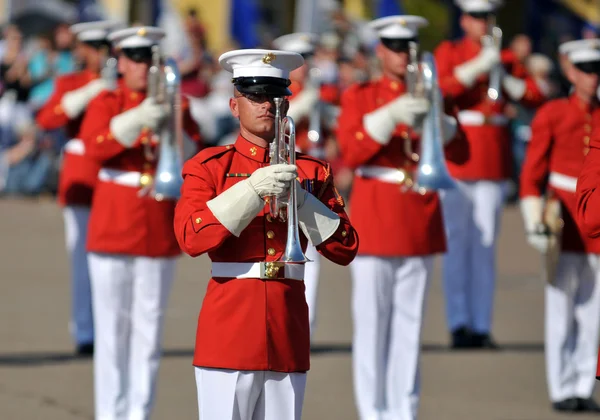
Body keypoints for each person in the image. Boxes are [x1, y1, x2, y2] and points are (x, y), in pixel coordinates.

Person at [173, 48, 358, 420]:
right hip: (229, 330)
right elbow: (191, 238)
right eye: (255, 96)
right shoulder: (210, 167)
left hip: (287, 327)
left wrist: (304, 202)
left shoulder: (311, 170)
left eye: (276, 97)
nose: (267, 105)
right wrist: (250, 191)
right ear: (233, 104)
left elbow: (345, 247)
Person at [336, 15, 468, 420]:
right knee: (373, 325)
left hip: (418, 214)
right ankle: (372, 410)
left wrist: (441, 122)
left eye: (408, 47)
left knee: (410, 327)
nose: (402, 55)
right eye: (394, 47)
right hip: (377, 213)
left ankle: (402, 410)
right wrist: (389, 116)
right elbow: (351, 151)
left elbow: (462, 154)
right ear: (380, 50)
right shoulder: (362, 94)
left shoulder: (431, 90)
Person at [78, 26, 202, 420]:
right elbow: (93, 147)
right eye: (134, 57)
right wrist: (137, 119)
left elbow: (194, 154)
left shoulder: (175, 102)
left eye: (148, 57)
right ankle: (109, 413)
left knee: (149, 332)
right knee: (112, 334)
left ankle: (139, 413)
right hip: (114, 223)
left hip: (155, 225)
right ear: (121, 62)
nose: (142, 65)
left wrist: (173, 119)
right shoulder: (107, 100)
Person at [434, 0, 547, 348]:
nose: (483, 23)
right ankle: (459, 323)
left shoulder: (507, 56)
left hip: (493, 158)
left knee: (485, 247)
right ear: (464, 20)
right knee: (456, 244)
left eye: (487, 16)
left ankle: (481, 324)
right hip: (459, 155)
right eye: (477, 16)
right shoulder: (450, 50)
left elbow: (534, 95)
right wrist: (477, 66)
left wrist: (506, 75)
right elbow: (441, 90)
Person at [520, 38, 600, 413]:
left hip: (595, 221)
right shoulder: (553, 113)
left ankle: (585, 383)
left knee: (592, 310)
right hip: (562, 217)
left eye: (597, 70)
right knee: (560, 306)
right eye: (586, 70)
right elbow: (532, 172)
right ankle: (561, 384)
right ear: (570, 71)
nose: (592, 77)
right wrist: (534, 218)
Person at [35, 20, 123, 357]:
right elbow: (47, 119)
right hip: (83, 177)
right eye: (95, 49)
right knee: (82, 259)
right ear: (83, 50)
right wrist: (88, 93)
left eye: (106, 49)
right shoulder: (70, 81)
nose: (102, 55)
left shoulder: (124, 84)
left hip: (116, 176)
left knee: (116, 259)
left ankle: (110, 328)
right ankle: (86, 331)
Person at [272, 31, 341, 338]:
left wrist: (325, 112)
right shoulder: (280, 94)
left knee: (312, 252)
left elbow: (338, 131)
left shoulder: (321, 93)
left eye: (309, 59)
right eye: (301, 60)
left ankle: (304, 327)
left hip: (317, 175)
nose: (307, 65)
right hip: (290, 173)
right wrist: (303, 104)